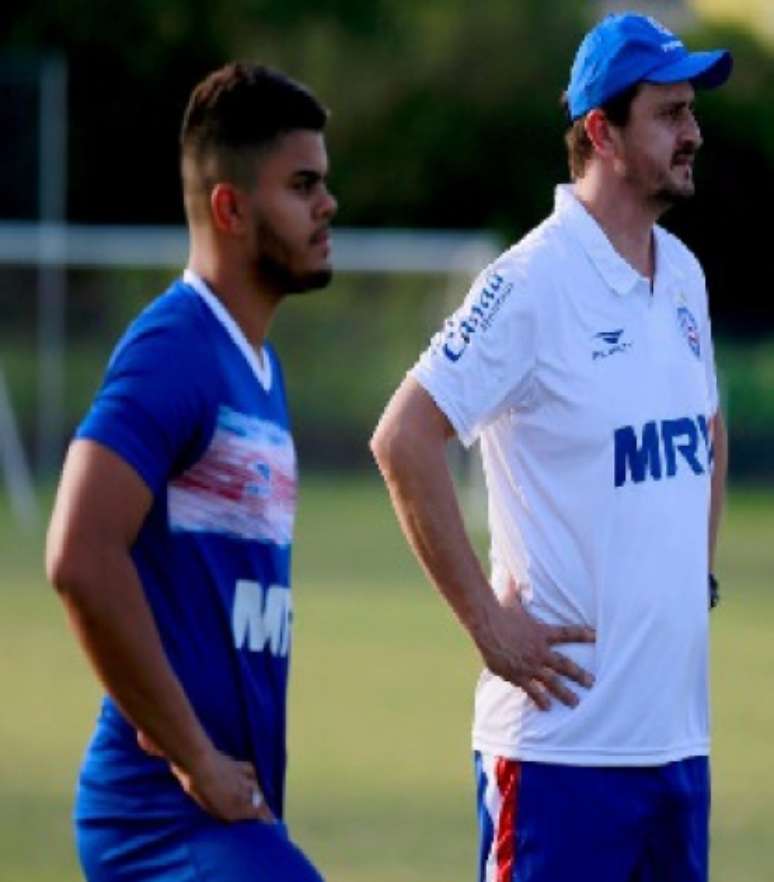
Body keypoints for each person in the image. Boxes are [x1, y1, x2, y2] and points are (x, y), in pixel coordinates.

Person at [371, 13, 731, 882]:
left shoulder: (681, 271)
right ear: (602, 133)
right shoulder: (529, 282)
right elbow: (404, 438)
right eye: (669, 114)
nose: (693, 132)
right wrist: (488, 625)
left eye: (691, 111)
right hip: (561, 759)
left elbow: (709, 430)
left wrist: (696, 575)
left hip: (677, 747)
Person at [46, 62, 337, 882]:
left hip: (216, 816)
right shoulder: (175, 346)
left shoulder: (258, 366)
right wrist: (195, 758)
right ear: (231, 208)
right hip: (158, 816)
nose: (328, 206)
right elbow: (78, 554)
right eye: (303, 184)